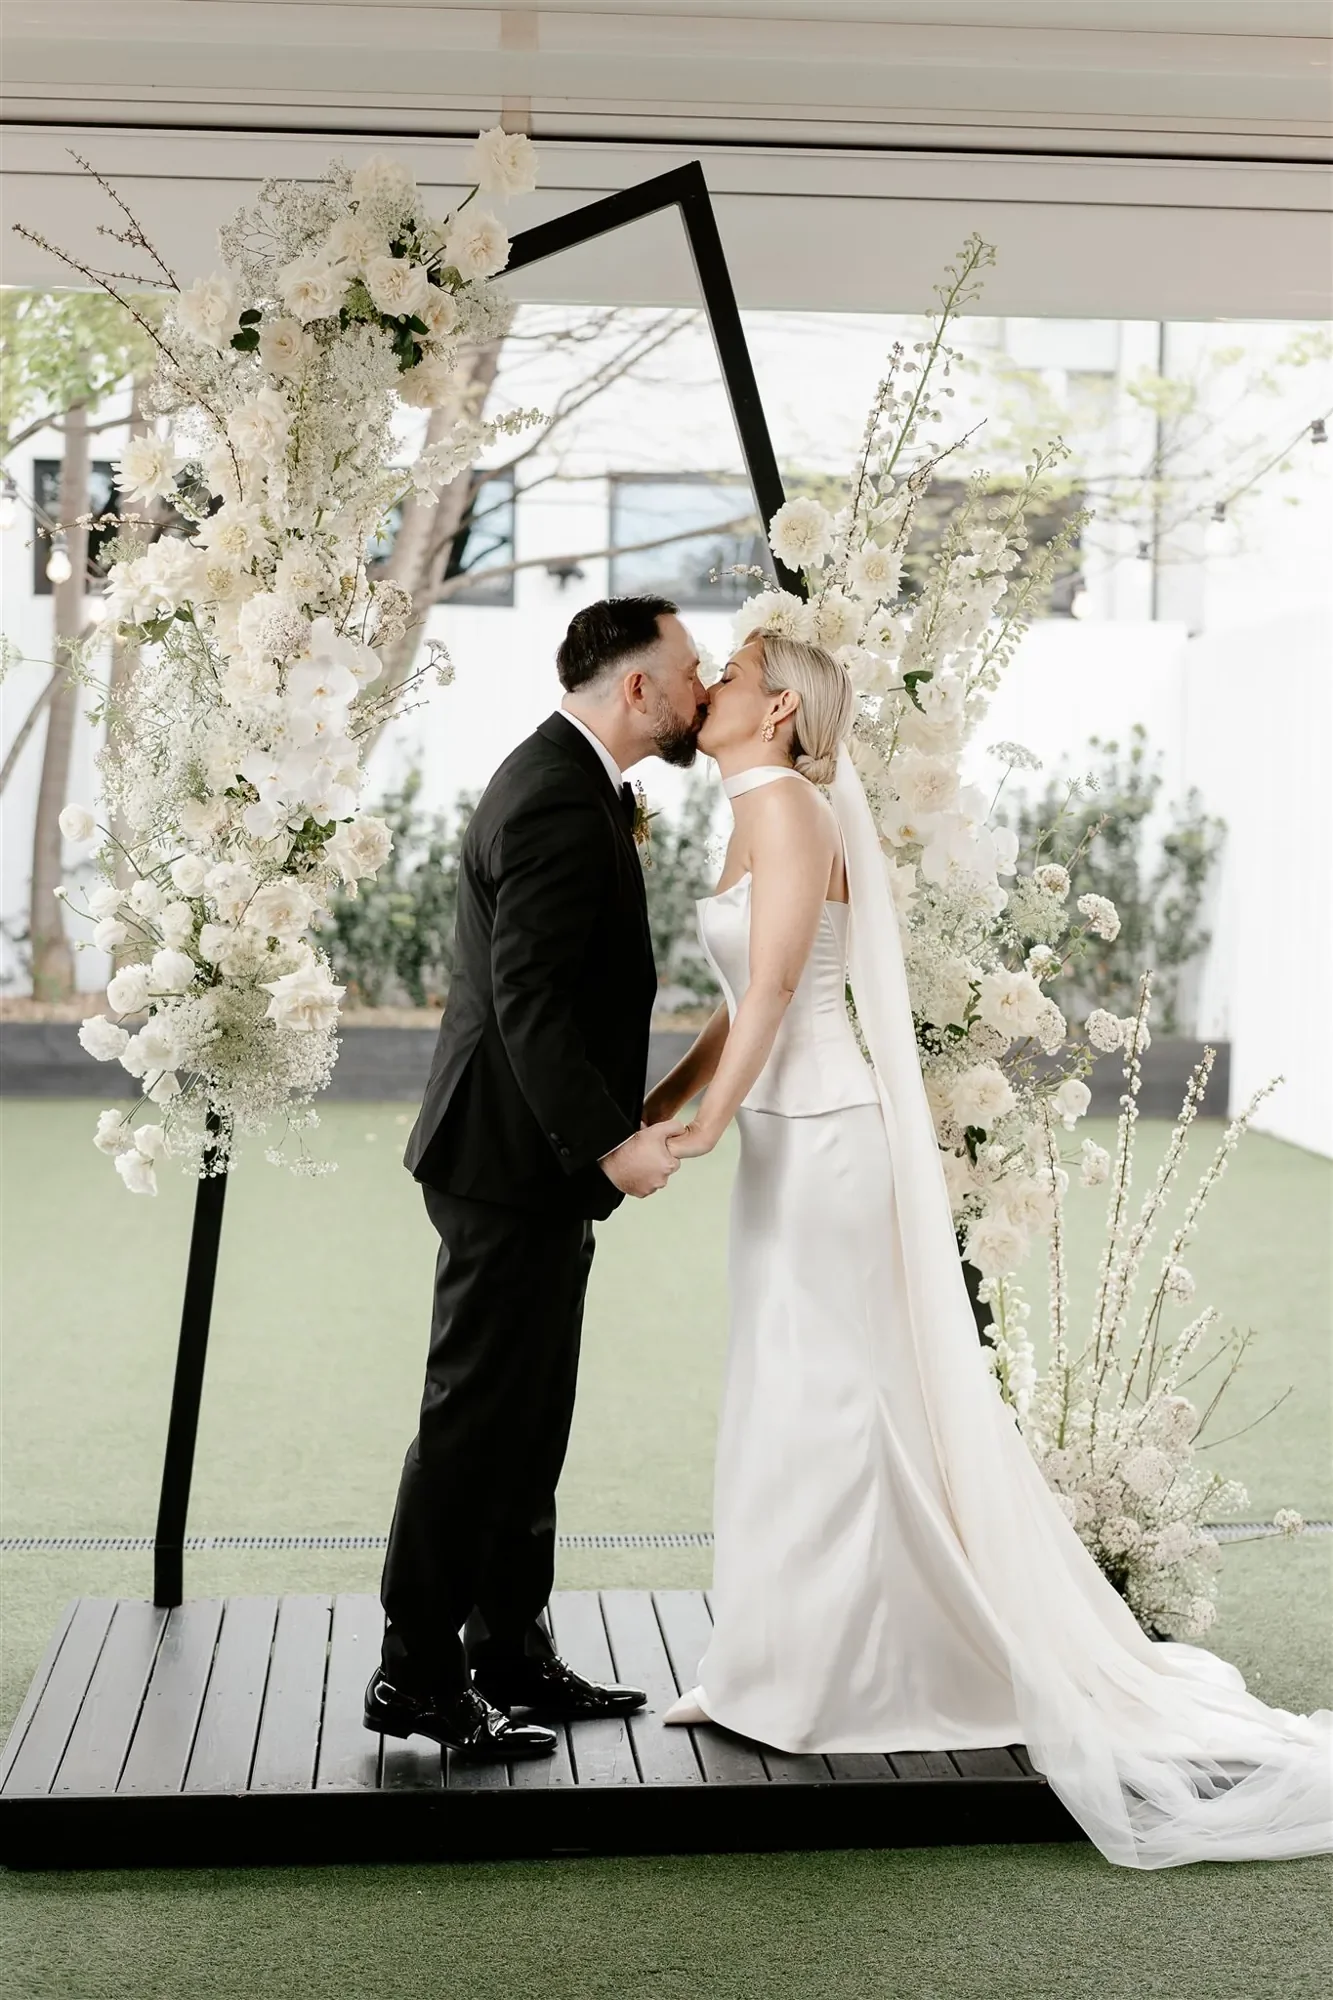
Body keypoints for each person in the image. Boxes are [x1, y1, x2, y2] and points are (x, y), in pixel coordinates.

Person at [644, 628, 1331, 1868]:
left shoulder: (793, 809)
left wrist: (699, 1121)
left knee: (838, 1401)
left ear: (780, 705)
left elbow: (787, 982)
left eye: (731, 673)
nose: (710, 686)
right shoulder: (751, 806)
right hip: (778, 1138)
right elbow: (735, 998)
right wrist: (670, 1093)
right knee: (782, 1392)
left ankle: (840, 1673)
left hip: (826, 1134)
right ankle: (763, 1661)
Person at [364, 596, 708, 1762]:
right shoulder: (559, 795)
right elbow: (529, 1001)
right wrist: (612, 1140)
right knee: (473, 1419)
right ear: (637, 689)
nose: (701, 688)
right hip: (506, 1160)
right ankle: (414, 1671)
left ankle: (509, 1645)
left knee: (528, 1418)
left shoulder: (576, 779)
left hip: (530, 1163)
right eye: (689, 669)